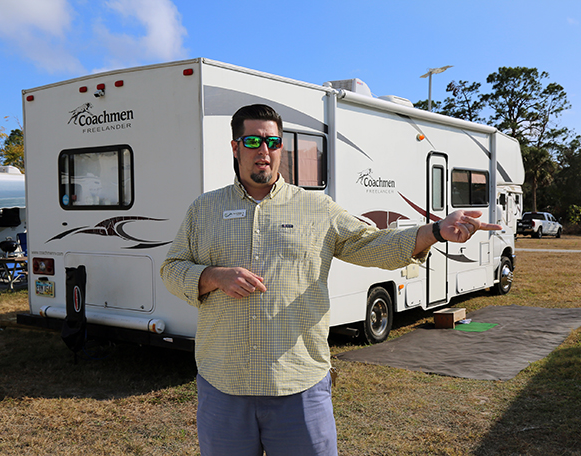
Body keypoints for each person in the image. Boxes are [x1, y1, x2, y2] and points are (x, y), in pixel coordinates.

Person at [160, 104, 501, 456]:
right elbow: (171, 268)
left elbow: (373, 244)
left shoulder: (317, 208)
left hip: (299, 387)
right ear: (236, 147)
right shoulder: (204, 210)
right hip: (224, 386)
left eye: (273, 142)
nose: (264, 150)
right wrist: (213, 276)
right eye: (253, 140)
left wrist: (435, 231)